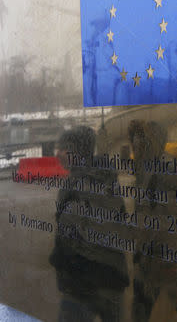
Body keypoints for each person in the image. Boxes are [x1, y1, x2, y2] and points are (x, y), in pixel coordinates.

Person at [128, 120, 177, 322]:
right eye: (134, 142)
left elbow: (168, 215)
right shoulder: (150, 168)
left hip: (162, 254)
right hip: (157, 253)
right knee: (152, 303)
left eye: (140, 143)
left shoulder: (160, 171)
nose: (136, 147)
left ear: (151, 144)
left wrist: (144, 249)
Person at [49, 126, 130, 322]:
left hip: (84, 285)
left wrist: (57, 259)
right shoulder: (107, 178)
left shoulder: (76, 185)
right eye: (58, 148)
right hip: (114, 279)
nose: (59, 154)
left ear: (79, 152)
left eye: (65, 149)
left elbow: (69, 237)